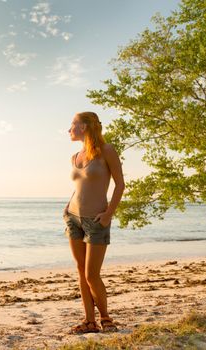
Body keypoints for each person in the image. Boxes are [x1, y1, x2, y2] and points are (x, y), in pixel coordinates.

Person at [63, 111, 124, 334]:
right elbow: (80, 187)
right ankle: (89, 321)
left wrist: (109, 213)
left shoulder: (107, 151)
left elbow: (120, 185)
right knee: (81, 271)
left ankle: (106, 318)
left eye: (73, 124)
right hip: (73, 218)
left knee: (91, 274)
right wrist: (68, 207)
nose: (69, 129)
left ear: (85, 127)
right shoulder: (75, 156)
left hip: (97, 220)